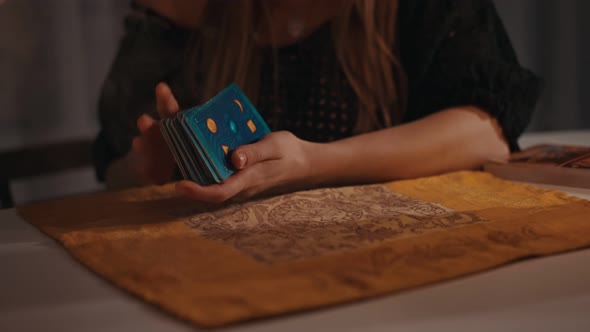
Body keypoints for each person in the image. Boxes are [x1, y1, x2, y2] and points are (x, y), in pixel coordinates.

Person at [94, 0, 541, 203]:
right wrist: (146, 170)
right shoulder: (184, 13)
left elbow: (486, 132)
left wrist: (311, 162)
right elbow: (114, 170)